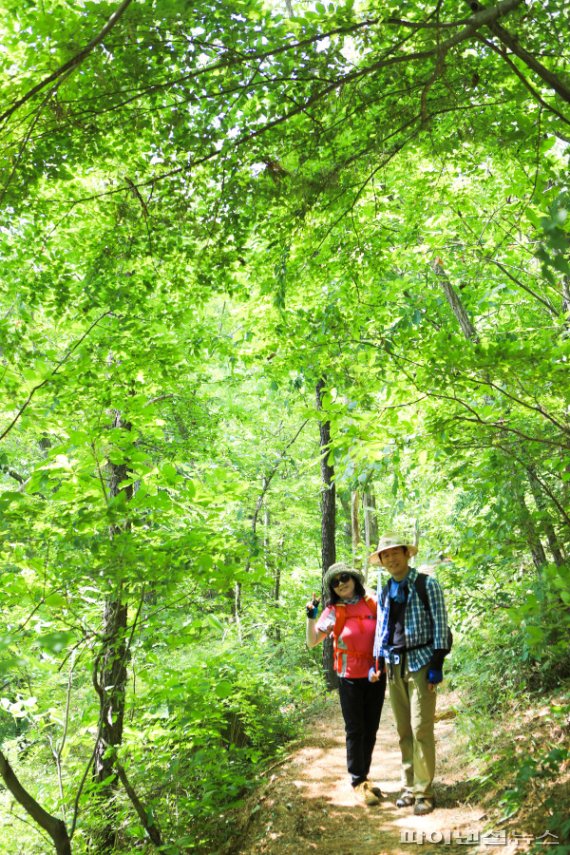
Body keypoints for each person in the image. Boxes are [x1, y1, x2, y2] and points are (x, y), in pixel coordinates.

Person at [369, 533, 450, 817]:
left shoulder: (427, 584)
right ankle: (408, 787)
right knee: (404, 730)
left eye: (395, 553)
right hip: (394, 665)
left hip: (422, 662)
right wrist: (377, 661)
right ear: (381, 561)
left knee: (420, 729)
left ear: (406, 554)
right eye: (385, 555)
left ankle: (424, 791)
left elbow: (440, 624)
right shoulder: (386, 590)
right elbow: (382, 628)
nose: (391, 559)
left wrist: (437, 664)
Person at [305, 561, 386, 806]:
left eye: (344, 578)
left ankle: (365, 777)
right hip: (349, 677)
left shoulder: (373, 602)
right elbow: (312, 641)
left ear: (354, 579)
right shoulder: (333, 610)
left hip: (375, 675)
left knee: (371, 728)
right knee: (355, 729)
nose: (341, 584)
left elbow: (386, 633)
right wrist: (311, 618)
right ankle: (357, 780)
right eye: (335, 582)